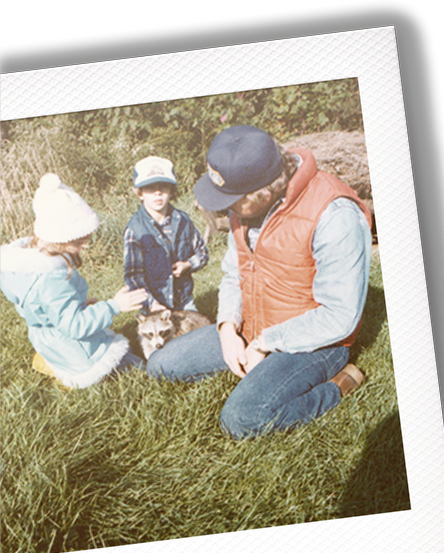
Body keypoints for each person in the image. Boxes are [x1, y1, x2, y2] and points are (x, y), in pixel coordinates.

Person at [147, 125, 373, 438]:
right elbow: (232, 273)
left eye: (232, 200)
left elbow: (339, 317)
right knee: (160, 366)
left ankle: (338, 386)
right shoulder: (245, 204)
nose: (225, 208)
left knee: (242, 420)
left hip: (315, 342)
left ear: (264, 193)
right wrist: (227, 329)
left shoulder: (335, 214)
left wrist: (266, 343)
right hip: (252, 326)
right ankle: (260, 371)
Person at [0, 173, 148, 389]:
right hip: (73, 347)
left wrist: (81, 306)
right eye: (79, 242)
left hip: (46, 338)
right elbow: (75, 326)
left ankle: (49, 360)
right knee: (137, 367)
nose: (84, 247)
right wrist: (114, 306)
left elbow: (47, 308)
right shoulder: (53, 277)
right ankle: (72, 375)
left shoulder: (25, 263)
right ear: (59, 238)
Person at [123, 155, 209, 314]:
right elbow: (133, 277)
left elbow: (202, 253)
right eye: (150, 187)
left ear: (171, 191)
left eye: (163, 186)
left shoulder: (183, 221)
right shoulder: (134, 230)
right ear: (140, 193)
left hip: (183, 300)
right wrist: (151, 303)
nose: (158, 192)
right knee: (159, 338)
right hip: (153, 304)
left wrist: (188, 264)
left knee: (198, 335)